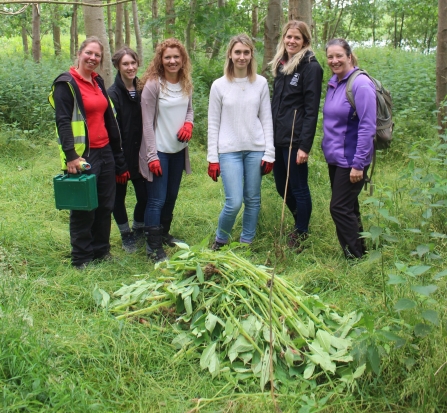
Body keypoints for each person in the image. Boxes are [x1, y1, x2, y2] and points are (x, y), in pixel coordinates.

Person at [49, 36, 127, 269]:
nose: (93, 58)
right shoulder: (66, 83)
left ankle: (101, 251)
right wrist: (71, 156)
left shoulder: (97, 81)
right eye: (89, 53)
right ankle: (81, 258)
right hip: (84, 155)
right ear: (80, 53)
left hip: (106, 152)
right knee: (85, 208)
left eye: (97, 55)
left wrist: (116, 152)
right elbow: (63, 121)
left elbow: (107, 117)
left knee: (105, 204)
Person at [207, 34, 274, 250]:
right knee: (234, 201)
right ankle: (221, 240)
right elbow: (213, 123)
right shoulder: (219, 86)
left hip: (255, 149)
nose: (242, 57)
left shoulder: (261, 83)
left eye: (246, 52)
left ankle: (246, 241)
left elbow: (266, 119)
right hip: (229, 152)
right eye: (238, 52)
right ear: (230, 54)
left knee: (253, 199)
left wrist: (269, 153)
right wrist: (212, 158)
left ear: (251, 55)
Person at [138, 38, 193, 262]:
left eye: (176, 57)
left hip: (178, 151)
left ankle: (163, 235)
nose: (172, 61)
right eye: (168, 57)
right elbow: (146, 124)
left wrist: (189, 123)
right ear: (161, 60)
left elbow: (189, 110)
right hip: (158, 151)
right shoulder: (153, 86)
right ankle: (152, 247)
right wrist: (151, 155)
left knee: (171, 197)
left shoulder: (185, 82)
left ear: (182, 60)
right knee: (156, 200)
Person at [270, 21, 323, 252]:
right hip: (277, 137)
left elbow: (311, 110)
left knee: (299, 187)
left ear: (305, 41)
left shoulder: (311, 67)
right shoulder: (282, 65)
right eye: (288, 37)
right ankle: (299, 221)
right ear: (284, 38)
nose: (292, 41)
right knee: (282, 187)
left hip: (295, 140)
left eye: (297, 38)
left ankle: (301, 233)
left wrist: (305, 146)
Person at [322, 38, 376, 259]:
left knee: (339, 208)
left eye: (339, 56)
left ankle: (354, 257)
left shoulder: (361, 84)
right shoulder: (334, 82)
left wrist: (358, 164)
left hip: (351, 160)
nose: (334, 61)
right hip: (335, 158)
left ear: (349, 56)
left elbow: (367, 126)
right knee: (349, 207)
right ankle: (361, 251)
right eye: (330, 57)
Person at [107, 47, 146, 253]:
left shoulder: (143, 89)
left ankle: (139, 227)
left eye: (133, 63)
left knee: (145, 196)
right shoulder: (112, 94)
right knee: (117, 199)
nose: (130, 67)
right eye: (125, 64)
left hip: (141, 156)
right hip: (119, 158)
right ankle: (125, 234)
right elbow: (113, 132)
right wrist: (119, 163)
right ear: (117, 66)